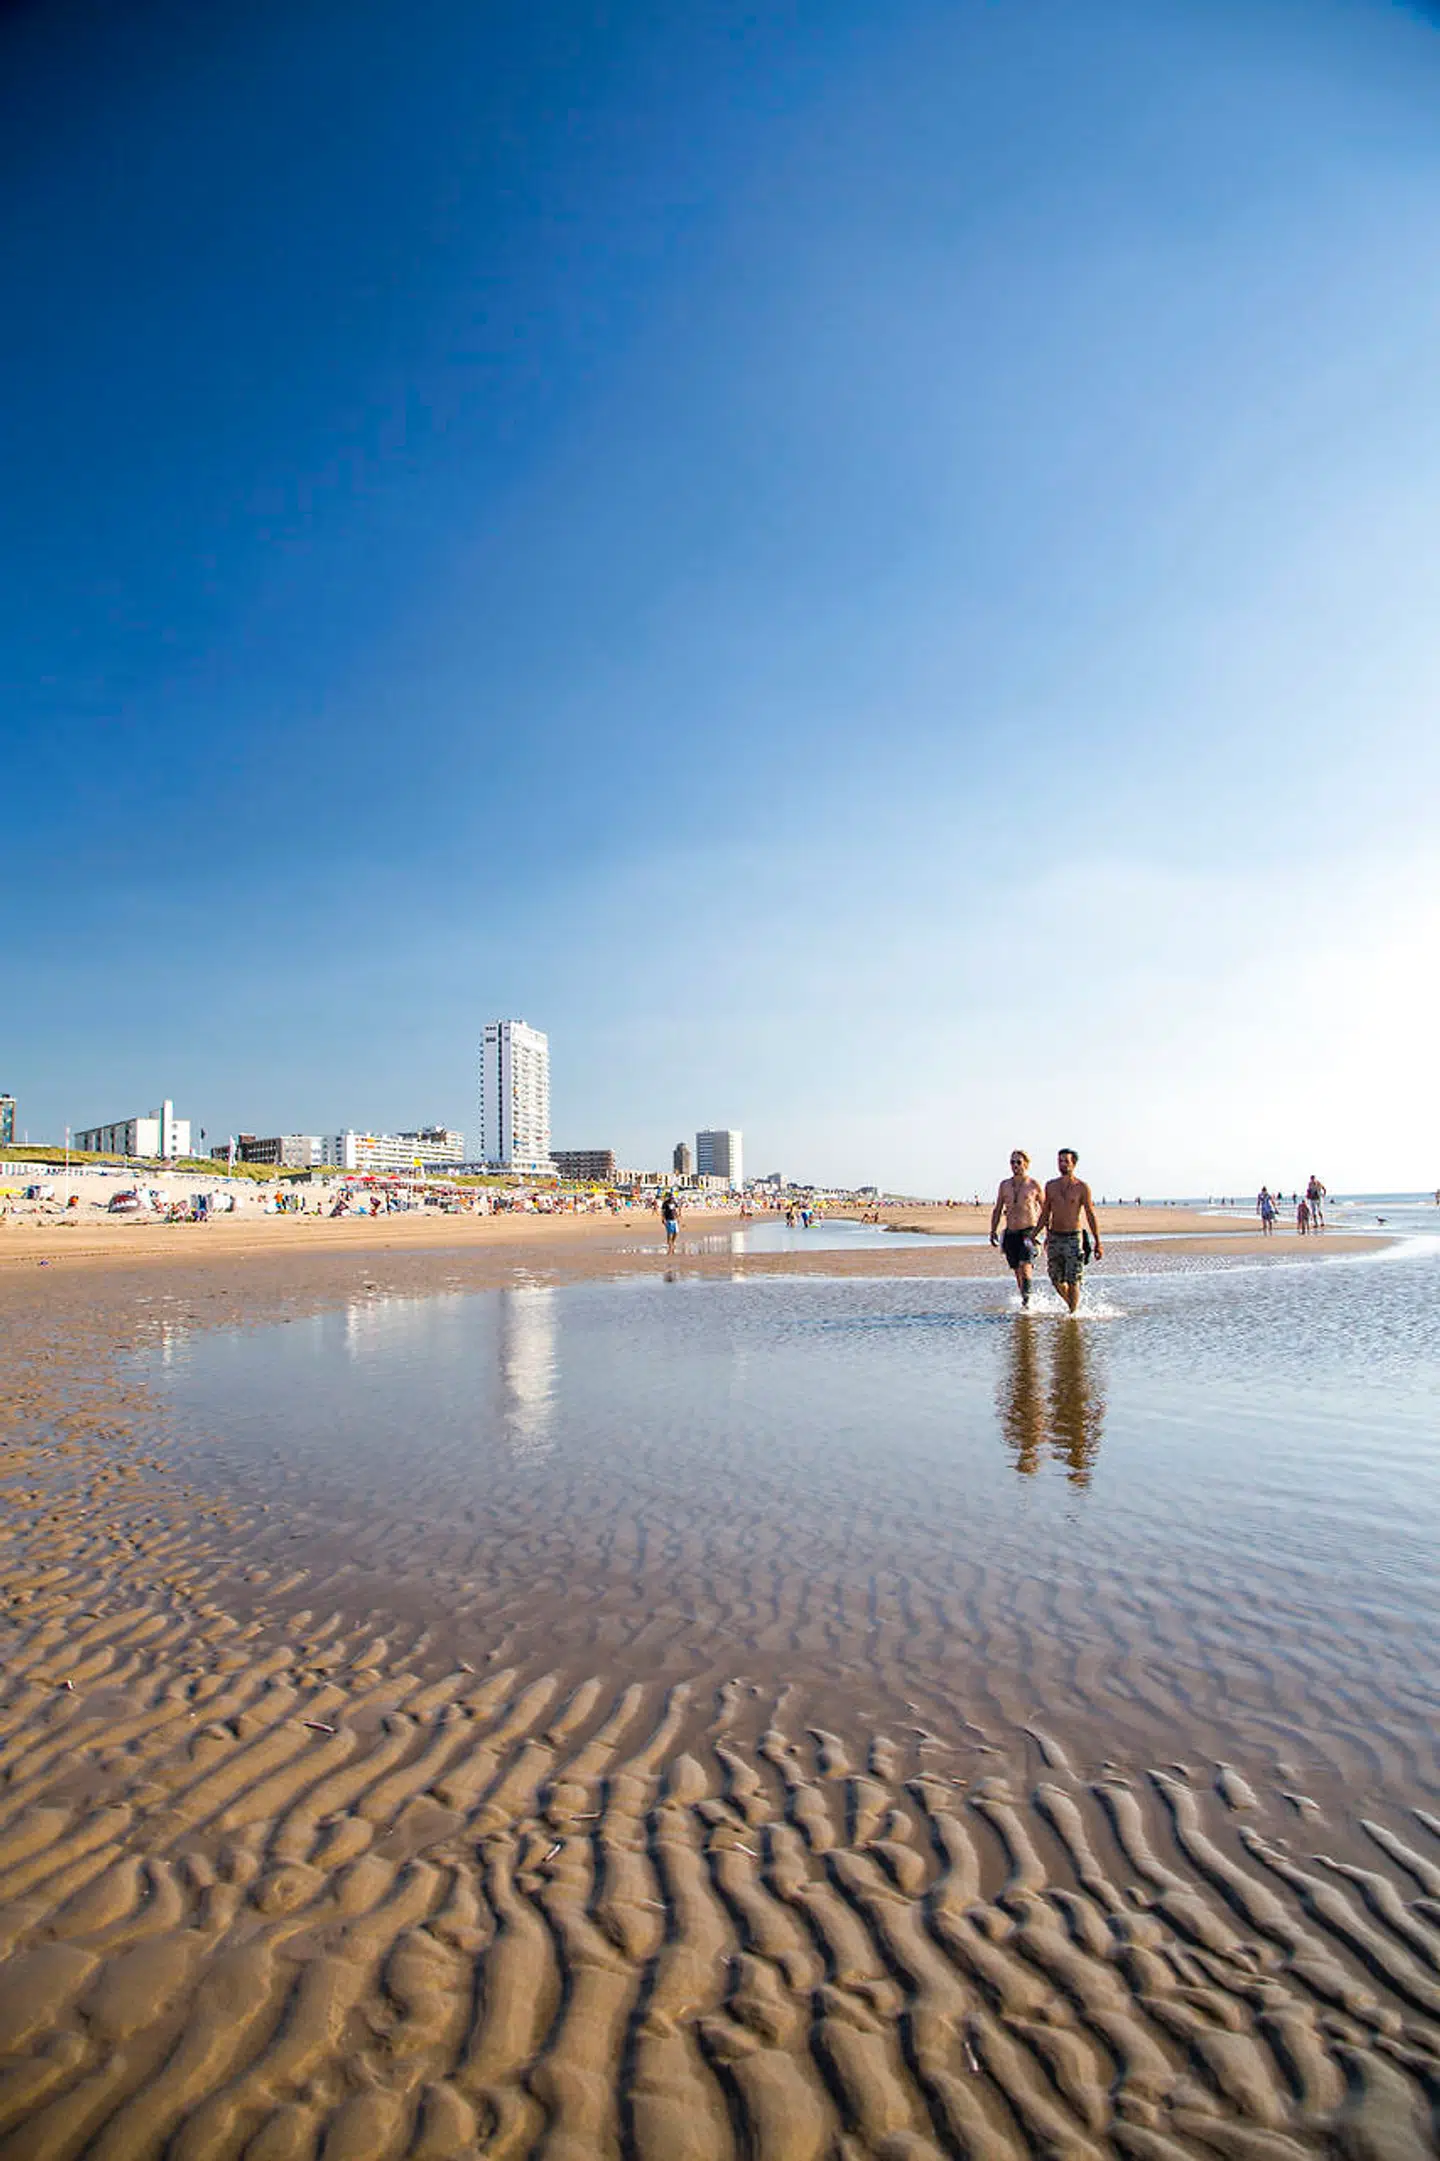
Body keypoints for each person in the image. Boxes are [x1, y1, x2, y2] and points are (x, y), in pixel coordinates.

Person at [1037, 1148, 1102, 1315]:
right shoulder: (1050, 1186)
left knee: (1074, 1279)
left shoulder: (1082, 1187)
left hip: (1074, 1237)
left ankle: (1072, 1315)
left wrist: (1098, 1242)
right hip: (1055, 1236)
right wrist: (1035, 1234)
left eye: (1066, 1161)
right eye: (1060, 1161)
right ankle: (1072, 1307)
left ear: (1073, 1164)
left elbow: (1090, 1214)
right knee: (1055, 1278)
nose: (1062, 1164)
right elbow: (1045, 1213)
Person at [989, 1148, 1045, 1308]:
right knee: (1017, 1271)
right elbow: (998, 1208)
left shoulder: (1034, 1185)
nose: (1015, 1165)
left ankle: (1027, 1304)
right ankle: (1025, 1299)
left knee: (1025, 1267)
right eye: (1012, 1162)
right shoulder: (1004, 1185)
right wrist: (993, 1230)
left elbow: (1046, 1209)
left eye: (1018, 1162)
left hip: (1029, 1233)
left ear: (1026, 1164)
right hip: (1011, 1233)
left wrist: (1048, 1231)